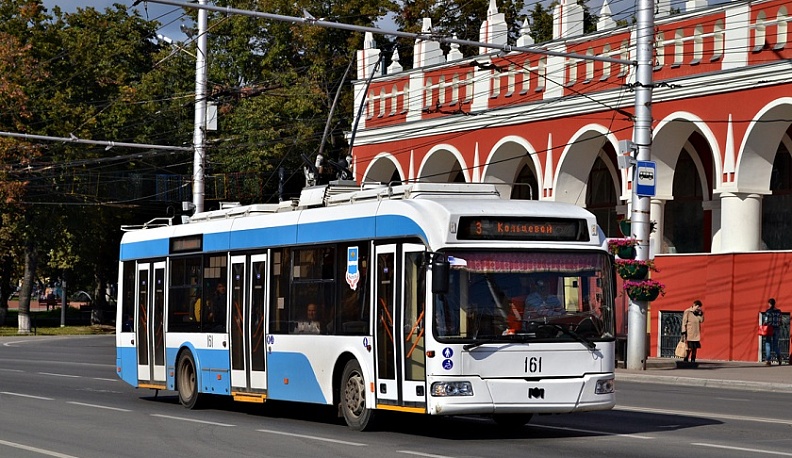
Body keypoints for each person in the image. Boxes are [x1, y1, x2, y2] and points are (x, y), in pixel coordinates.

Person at [763, 298, 782, 366]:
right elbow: (780, 321)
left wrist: (763, 325)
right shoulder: (779, 311)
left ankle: (768, 360)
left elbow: (766, 321)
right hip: (777, 328)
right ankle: (779, 357)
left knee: (768, 343)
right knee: (775, 344)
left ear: (769, 303)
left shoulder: (768, 311)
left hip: (770, 328)